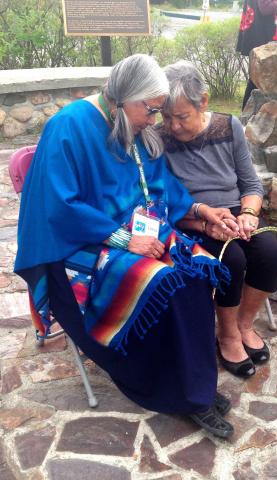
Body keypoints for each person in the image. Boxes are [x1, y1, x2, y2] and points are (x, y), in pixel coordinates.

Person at [14, 54, 238, 439]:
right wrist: (123, 239)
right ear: (122, 99)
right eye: (150, 110)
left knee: (195, 273)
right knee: (160, 288)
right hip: (76, 243)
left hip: (136, 230)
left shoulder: (133, 128)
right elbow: (58, 205)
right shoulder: (67, 127)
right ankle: (179, 395)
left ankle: (196, 386)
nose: (154, 120)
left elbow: (159, 183)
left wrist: (201, 212)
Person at [159, 60, 277, 378]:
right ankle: (226, 334)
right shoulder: (158, 139)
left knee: (270, 252)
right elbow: (162, 198)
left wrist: (250, 214)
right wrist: (201, 220)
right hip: (191, 219)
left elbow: (251, 183)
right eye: (166, 116)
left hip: (236, 212)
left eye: (182, 116)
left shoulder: (229, 127)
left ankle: (244, 325)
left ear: (203, 101)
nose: (173, 126)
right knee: (233, 259)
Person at [236, 0, 277, 109]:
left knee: (256, 79)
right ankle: (247, 115)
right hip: (261, 36)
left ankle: (248, 114)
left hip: (259, 34)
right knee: (256, 80)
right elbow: (265, 8)